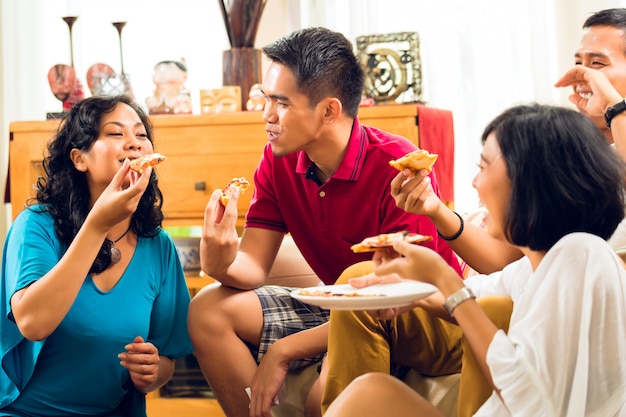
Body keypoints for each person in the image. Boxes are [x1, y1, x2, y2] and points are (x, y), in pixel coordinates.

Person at [186, 27, 462, 417]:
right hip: (344, 304)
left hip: (410, 314)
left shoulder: (398, 164)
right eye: (266, 99)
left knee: (360, 276)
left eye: (281, 103)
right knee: (206, 310)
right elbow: (251, 267)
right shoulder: (276, 161)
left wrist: (285, 350)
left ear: (330, 110)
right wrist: (217, 258)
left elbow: (398, 294)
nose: (266, 115)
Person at [324, 103, 626, 417]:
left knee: (368, 395)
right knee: (370, 392)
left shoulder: (583, 255)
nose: (475, 183)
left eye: (484, 167)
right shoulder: (534, 268)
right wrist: (406, 294)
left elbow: (525, 394)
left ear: (529, 181)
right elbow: (471, 298)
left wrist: (443, 276)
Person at [0, 95, 193, 416]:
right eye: (116, 134)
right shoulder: (36, 226)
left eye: (141, 135)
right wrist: (96, 227)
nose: (134, 144)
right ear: (79, 159)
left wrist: (151, 372)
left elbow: (167, 360)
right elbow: (32, 323)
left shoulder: (159, 246)